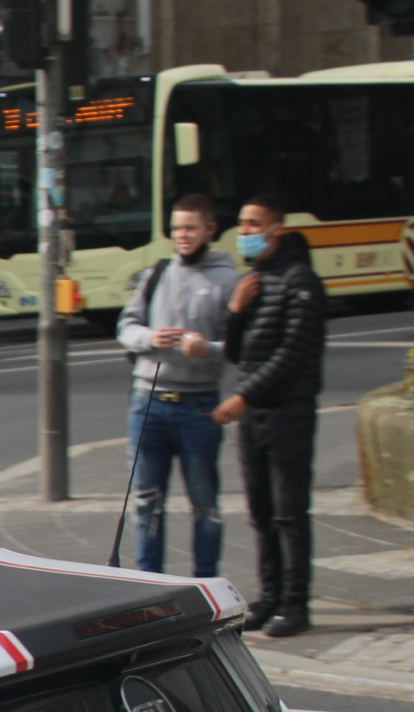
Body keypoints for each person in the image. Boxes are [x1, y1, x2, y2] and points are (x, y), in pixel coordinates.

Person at [213, 194, 327, 637]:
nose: (245, 233)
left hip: (288, 413)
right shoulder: (253, 281)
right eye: (241, 225)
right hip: (255, 414)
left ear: (276, 229)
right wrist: (234, 312)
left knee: (289, 513)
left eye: (253, 225)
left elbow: (294, 352)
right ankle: (271, 595)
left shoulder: (301, 281)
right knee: (260, 512)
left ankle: (296, 604)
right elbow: (238, 353)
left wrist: (243, 396)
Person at [115, 195, 240, 577]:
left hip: (198, 405)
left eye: (190, 227)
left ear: (209, 230)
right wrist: (148, 337)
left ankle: (205, 583)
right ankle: (147, 583)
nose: (182, 235)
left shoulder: (228, 279)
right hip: (148, 403)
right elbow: (126, 326)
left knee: (204, 502)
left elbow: (239, 347)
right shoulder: (157, 273)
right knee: (146, 502)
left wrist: (208, 348)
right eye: (176, 227)